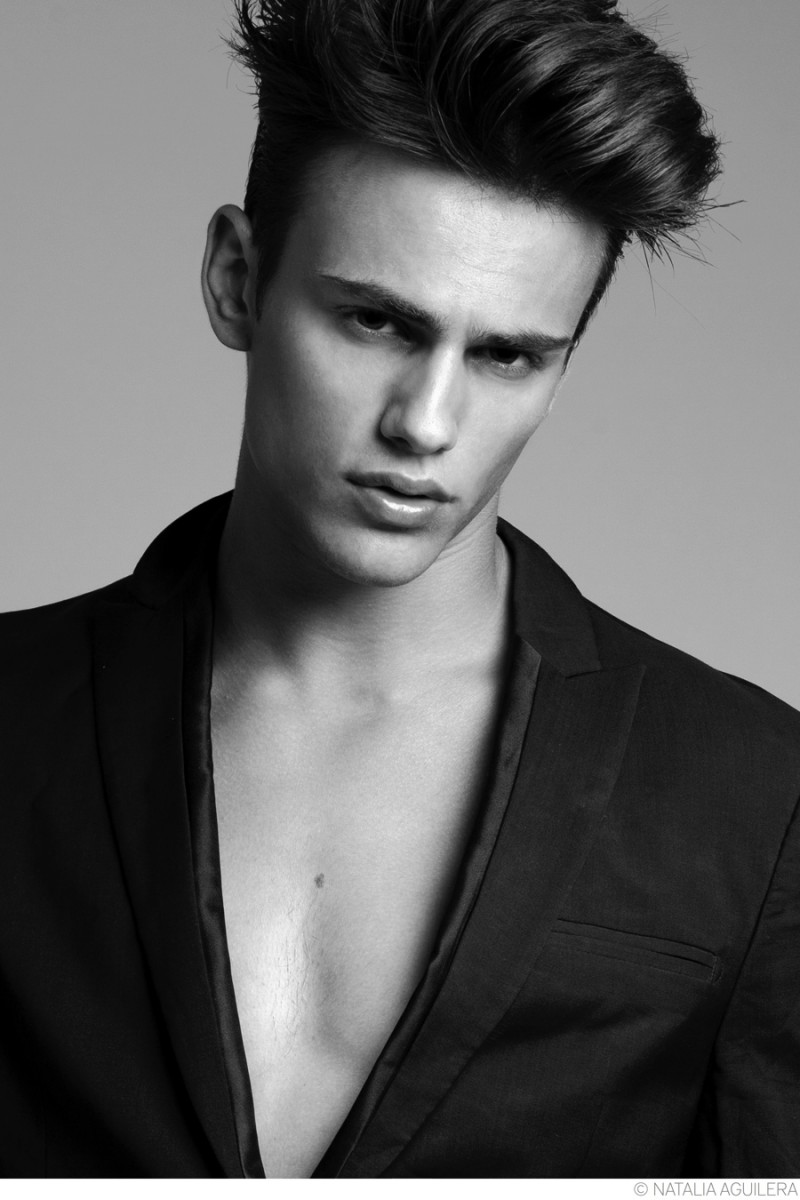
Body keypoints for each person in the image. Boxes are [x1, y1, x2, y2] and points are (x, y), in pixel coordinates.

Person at [1, 0, 798, 1180]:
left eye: (506, 355)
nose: (424, 424)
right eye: (375, 321)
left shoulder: (753, 794)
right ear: (236, 278)